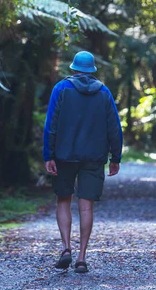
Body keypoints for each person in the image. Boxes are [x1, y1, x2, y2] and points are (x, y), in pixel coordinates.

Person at [43, 50, 123, 274]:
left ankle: (66, 248)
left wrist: (48, 154)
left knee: (63, 200)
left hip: (64, 155)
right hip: (94, 157)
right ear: (92, 70)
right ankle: (81, 257)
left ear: (74, 68)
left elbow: (51, 125)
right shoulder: (104, 92)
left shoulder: (61, 89)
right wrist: (115, 157)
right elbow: (114, 128)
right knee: (86, 206)